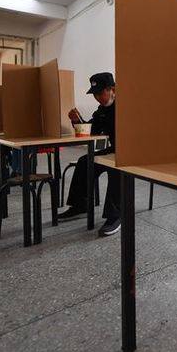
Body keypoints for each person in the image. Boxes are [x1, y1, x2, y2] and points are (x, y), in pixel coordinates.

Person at [58, 72, 121, 237]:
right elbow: (89, 131)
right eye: (95, 94)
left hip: (132, 150)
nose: (98, 98)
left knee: (116, 167)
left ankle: (115, 216)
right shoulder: (102, 110)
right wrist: (76, 120)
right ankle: (81, 205)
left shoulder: (127, 105)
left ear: (113, 89)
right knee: (84, 162)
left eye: (100, 93)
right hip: (115, 149)